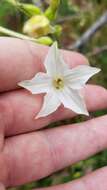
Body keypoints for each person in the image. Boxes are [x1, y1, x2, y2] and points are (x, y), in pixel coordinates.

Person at [0, 37, 107, 190]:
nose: (58, 82)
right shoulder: (52, 69)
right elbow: (50, 60)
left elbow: (77, 100)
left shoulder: (66, 77)